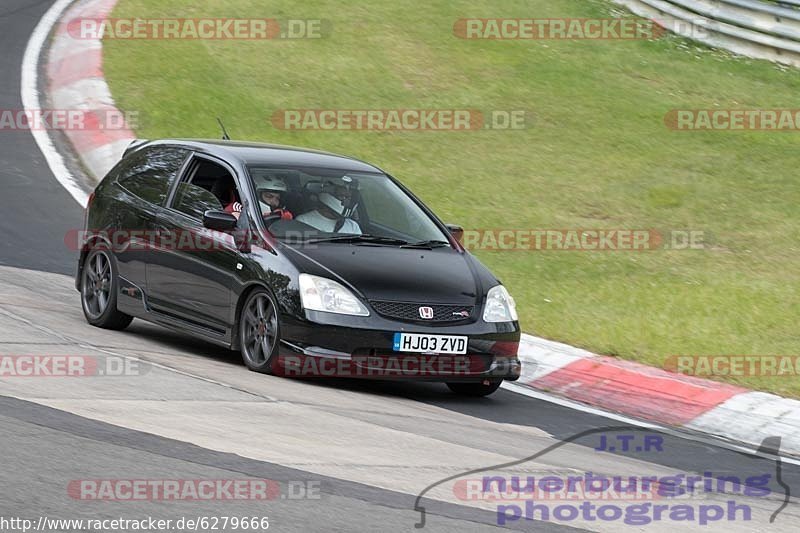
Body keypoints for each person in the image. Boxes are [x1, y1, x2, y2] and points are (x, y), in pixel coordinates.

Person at [296, 180, 361, 234]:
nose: (347, 201)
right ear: (328, 194)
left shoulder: (353, 226)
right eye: (342, 196)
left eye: (349, 197)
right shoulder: (304, 221)